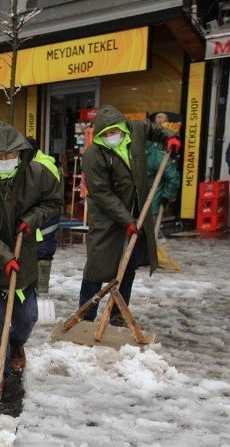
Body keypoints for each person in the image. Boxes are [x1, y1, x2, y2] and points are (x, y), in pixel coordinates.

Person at [0, 123, 63, 395]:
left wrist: (31, 220)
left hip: (25, 261)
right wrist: (4, 256)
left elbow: (53, 202)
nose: (5, 162)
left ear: (20, 154)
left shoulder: (37, 174)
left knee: (27, 318)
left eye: (10, 156)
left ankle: (17, 345)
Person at [78, 104, 180, 325]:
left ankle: (117, 314)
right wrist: (126, 221)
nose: (110, 136)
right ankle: (85, 315)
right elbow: (102, 194)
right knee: (98, 264)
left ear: (122, 128)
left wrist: (168, 137)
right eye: (105, 134)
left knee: (128, 263)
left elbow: (153, 128)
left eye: (113, 131)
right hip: (106, 215)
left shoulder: (135, 130)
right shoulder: (93, 155)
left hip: (137, 209)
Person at [25, 136, 62, 296]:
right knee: (38, 250)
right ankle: (35, 290)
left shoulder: (42, 167)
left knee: (42, 250)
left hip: (45, 216)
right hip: (39, 216)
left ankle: (40, 290)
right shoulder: (36, 163)